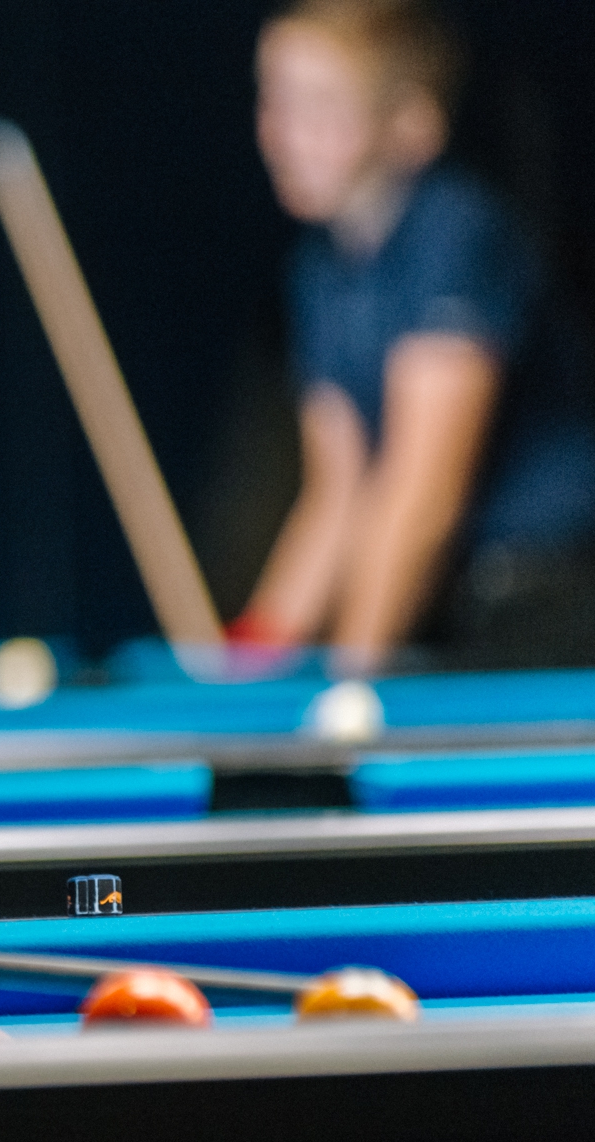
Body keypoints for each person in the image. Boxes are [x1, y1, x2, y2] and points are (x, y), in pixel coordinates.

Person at [230, 0, 595, 670]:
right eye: (275, 100)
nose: (283, 135)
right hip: (459, 604)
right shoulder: (320, 268)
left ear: (412, 126)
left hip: (549, 603)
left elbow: (422, 495)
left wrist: (350, 675)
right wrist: (252, 658)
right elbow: (337, 496)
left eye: (321, 107)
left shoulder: (456, 236)